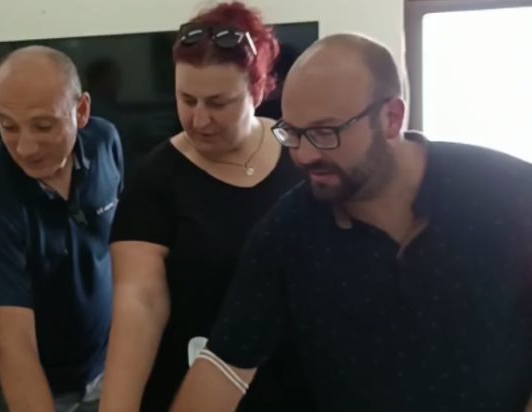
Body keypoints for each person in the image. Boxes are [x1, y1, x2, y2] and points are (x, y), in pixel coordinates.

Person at [171, 33, 532, 412]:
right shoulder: (287, 234)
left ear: (391, 118)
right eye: (293, 133)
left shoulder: (508, 195)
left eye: (324, 133)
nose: (304, 155)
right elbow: (225, 365)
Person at [99, 3, 304, 411]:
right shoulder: (156, 178)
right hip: (193, 392)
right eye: (186, 99)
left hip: (296, 387)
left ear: (258, 90)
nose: (199, 119)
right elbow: (140, 303)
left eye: (218, 102)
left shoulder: (301, 154)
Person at [0, 45, 123, 412]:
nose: (25, 147)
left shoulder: (105, 143)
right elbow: (14, 347)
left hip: (103, 367)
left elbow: (122, 250)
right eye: (8, 126)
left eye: (43, 126)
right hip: (30, 386)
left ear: (81, 111)